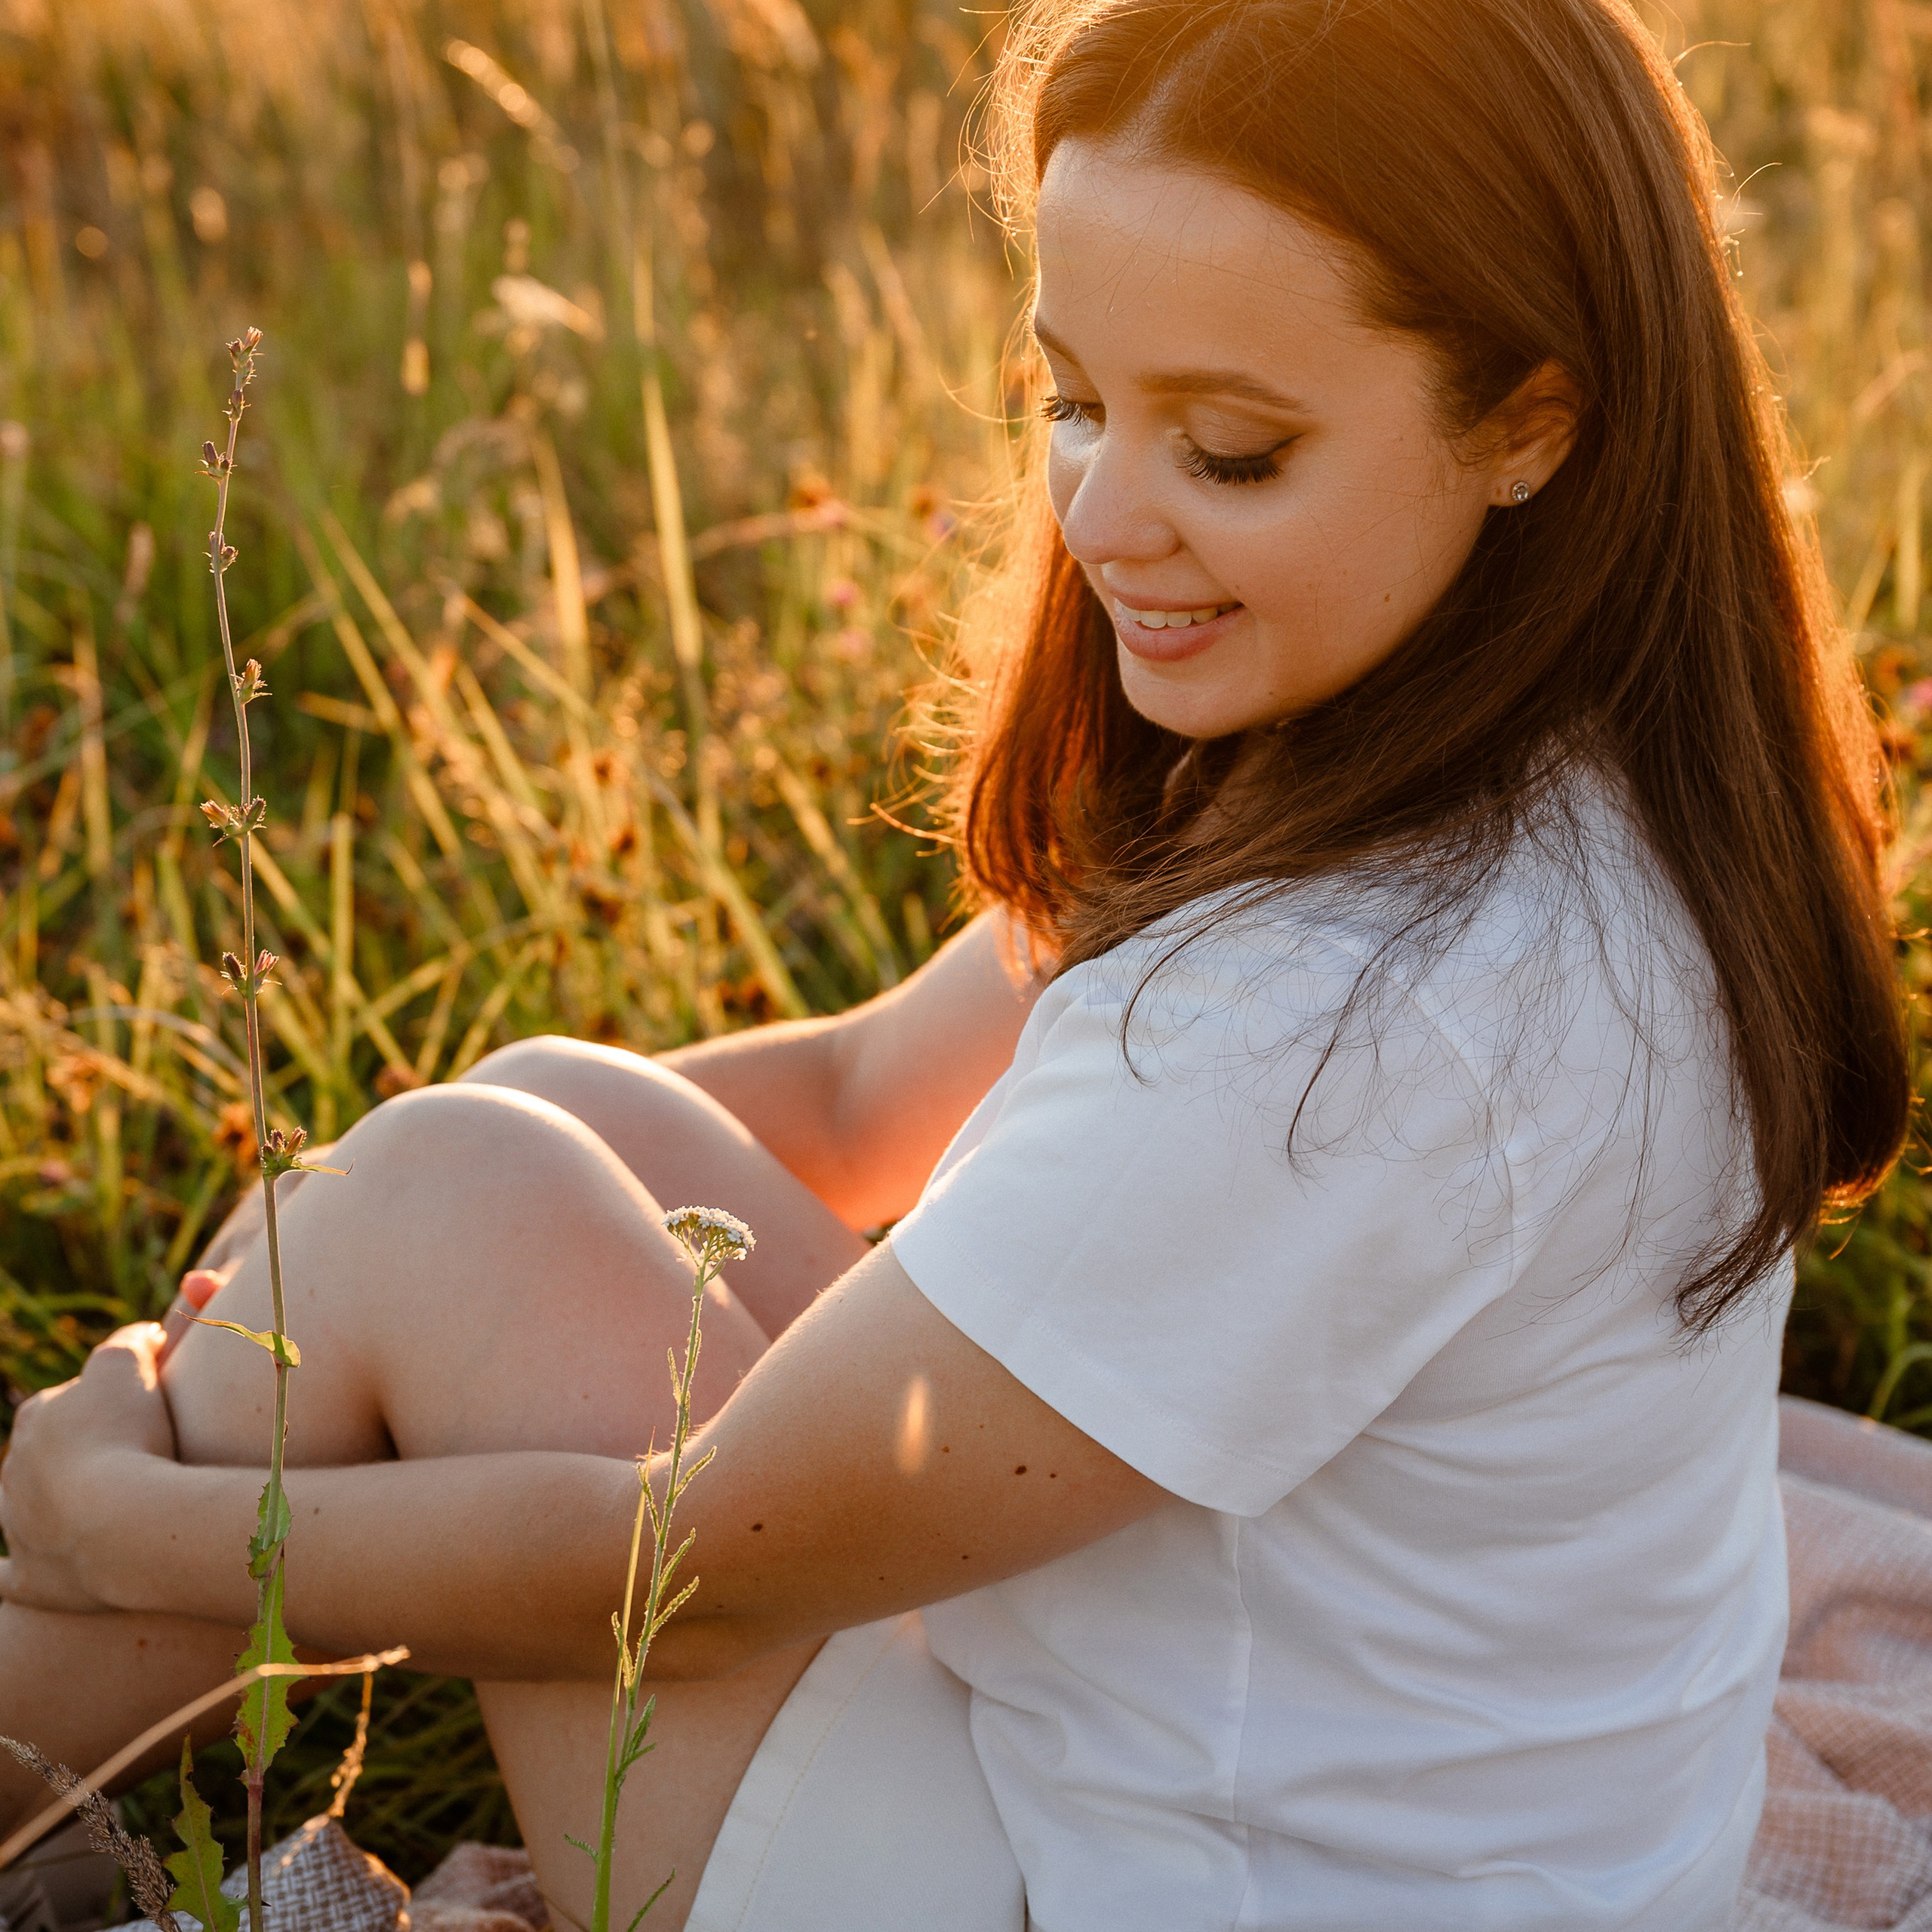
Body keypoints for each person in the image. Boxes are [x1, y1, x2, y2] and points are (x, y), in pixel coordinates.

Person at [0, 1, 1910, 1926]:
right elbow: (851, 1097)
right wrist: (332, 1243)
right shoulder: (1559, 755)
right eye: (1073, 398)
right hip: (1399, 1822)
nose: (1099, 511)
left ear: (1528, 422)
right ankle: (51, 1745)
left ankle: (30, 1730)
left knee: (447, 1192)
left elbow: (697, 1563)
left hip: (1137, 1893)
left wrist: (158, 1520)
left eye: (1231, 449)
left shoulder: (1343, 1023)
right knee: (529, 1126)